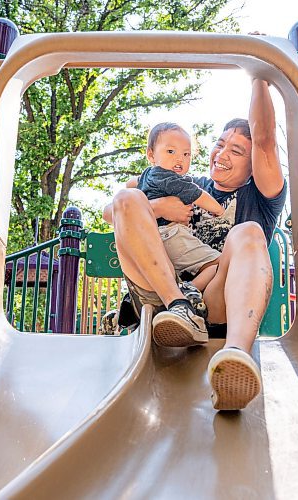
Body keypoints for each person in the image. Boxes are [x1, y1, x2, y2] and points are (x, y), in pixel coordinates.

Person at [103, 79, 287, 410]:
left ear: (252, 165)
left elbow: (264, 141)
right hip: (159, 292)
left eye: (236, 150)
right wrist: (160, 207)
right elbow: (115, 210)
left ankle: (235, 357)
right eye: (220, 144)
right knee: (129, 197)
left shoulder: (259, 198)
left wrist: (259, 73)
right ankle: (179, 306)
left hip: (213, 301)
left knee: (248, 232)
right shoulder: (185, 184)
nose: (222, 154)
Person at [130, 121, 225, 299]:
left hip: (154, 240)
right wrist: (218, 210)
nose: (179, 158)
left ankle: (181, 289)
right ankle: (187, 292)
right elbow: (197, 194)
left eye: (186, 154)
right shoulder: (167, 177)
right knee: (220, 264)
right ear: (151, 155)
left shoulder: (146, 176)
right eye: (171, 151)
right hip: (170, 235)